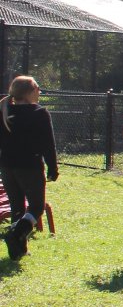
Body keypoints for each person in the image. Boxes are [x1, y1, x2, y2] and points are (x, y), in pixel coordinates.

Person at [0, 75, 58, 260]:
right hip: (29, 167)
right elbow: (48, 144)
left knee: (17, 207)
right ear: (29, 92)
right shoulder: (39, 113)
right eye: (37, 88)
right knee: (36, 207)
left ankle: (18, 251)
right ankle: (15, 234)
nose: (40, 92)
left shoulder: (5, 111)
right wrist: (53, 168)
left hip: (7, 167)